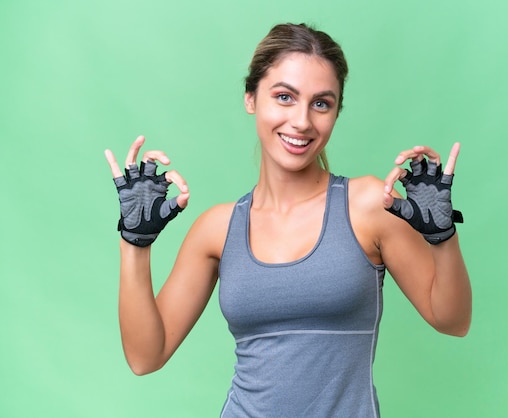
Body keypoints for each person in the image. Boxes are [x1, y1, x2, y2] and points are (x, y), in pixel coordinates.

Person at [105, 23, 471, 418]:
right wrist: (134, 243)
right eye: (284, 97)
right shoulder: (217, 229)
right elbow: (146, 356)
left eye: (321, 103)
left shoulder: (367, 204)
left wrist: (442, 236)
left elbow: (452, 320)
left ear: (336, 112)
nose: (301, 121)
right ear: (251, 98)